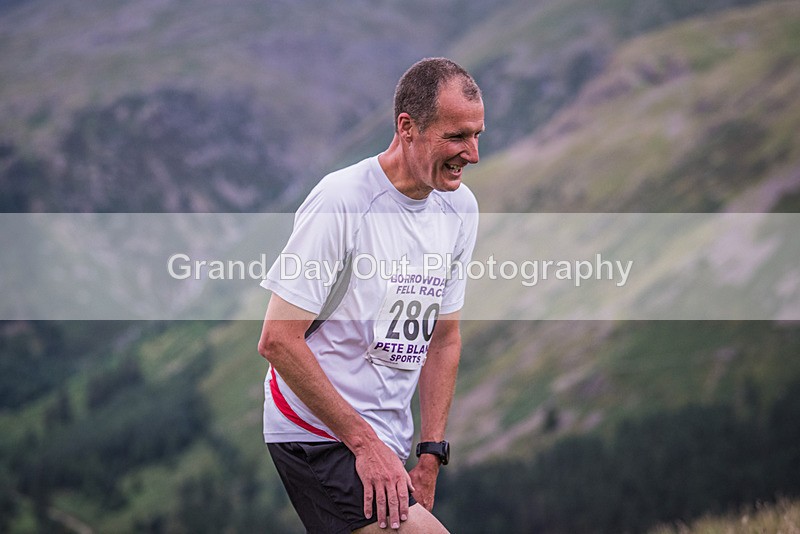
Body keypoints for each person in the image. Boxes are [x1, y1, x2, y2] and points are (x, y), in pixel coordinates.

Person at [257, 57, 484, 533]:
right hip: (315, 431)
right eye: (457, 137)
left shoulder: (460, 208)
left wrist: (430, 453)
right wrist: (362, 443)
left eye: (478, 135)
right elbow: (277, 339)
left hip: (386, 440)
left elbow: (443, 338)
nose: (473, 153)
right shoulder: (342, 200)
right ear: (407, 127)